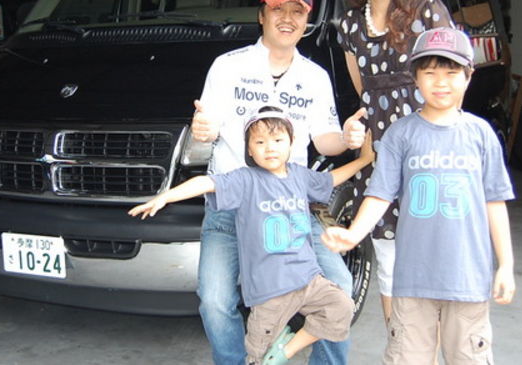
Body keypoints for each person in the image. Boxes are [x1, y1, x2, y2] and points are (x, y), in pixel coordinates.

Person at [191, 0, 367, 365]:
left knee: (339, 286)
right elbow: (207, 130)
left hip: (291, 209)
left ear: (307, 21)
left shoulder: (315, 77)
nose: (287, 18)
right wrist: (203, 131)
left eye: (297, 11)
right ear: (262, 15)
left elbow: (324, 140)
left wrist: (347, 138)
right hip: (230, 209)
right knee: (215, 300)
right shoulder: (228, 66)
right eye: (278, 9)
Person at [322, 27, 516, 364]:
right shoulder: (400, 134)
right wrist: (353, 234)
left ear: (469, 76)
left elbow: (494, 202)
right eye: (430, 73)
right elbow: (380, 194)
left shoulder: (481, 134)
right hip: (412, 281)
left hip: (467, 280)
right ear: (415, 78)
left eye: (451, 72)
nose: (441, 82)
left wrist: (506, 265)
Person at [130, 107, 374, 364]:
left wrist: (364, 160)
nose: (270, 148)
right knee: (257, 357)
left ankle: (287, 350)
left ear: (292, 142)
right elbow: (206, 183)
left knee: (341, 307)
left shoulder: (300, 176)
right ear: (249, 149)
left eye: (278, 140)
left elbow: (331, 179)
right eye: (260, 142)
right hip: (270, 292)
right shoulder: (245, 180)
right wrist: (165, 197)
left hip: (308, 279)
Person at [337, 0, 456, 323]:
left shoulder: (428, 12)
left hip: (428, 150)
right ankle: (399, 343)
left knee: (433, 255)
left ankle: (432, 342)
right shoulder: (350, 25)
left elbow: (451, 82)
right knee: (388, 257)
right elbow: (365, 91)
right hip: (380, 153)